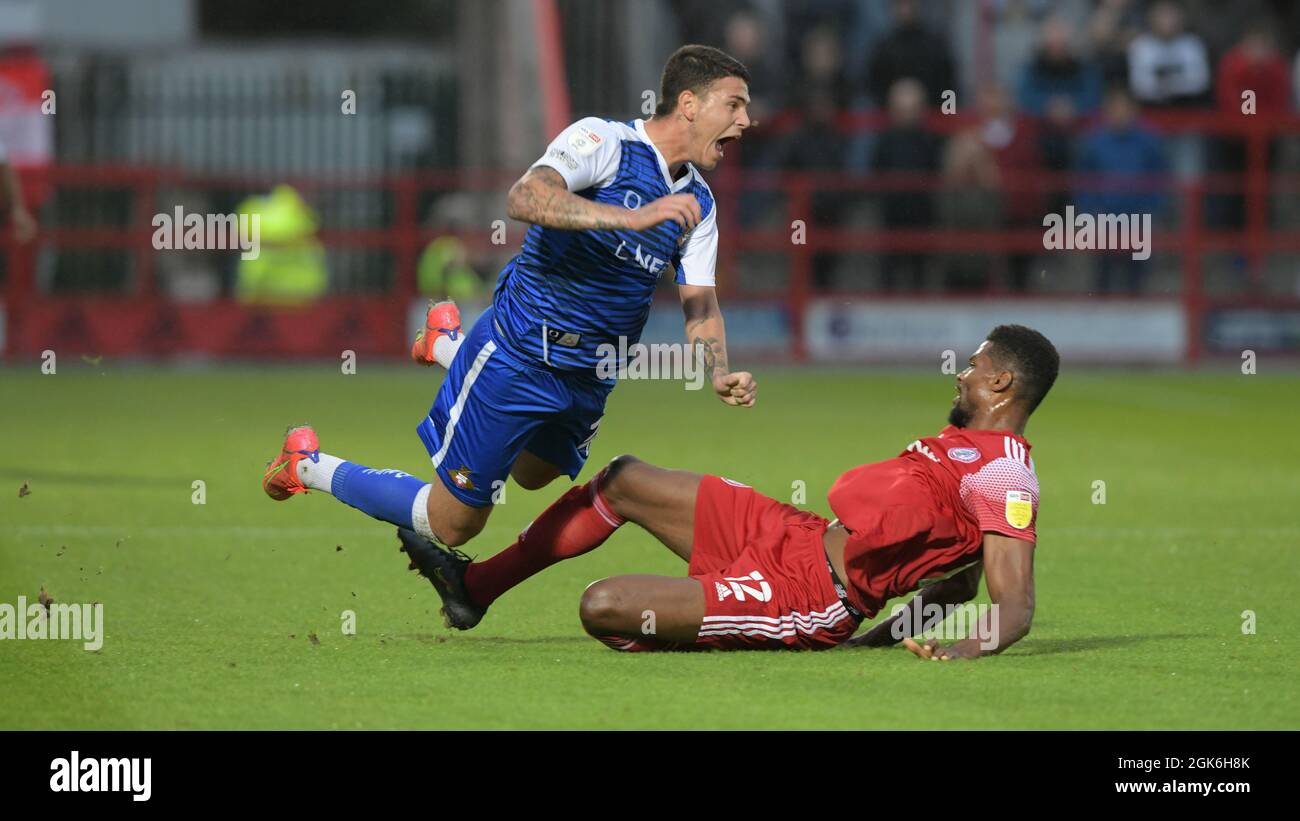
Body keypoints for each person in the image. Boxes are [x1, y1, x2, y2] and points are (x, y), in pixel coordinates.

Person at [262, 46, 757, 555]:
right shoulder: (604, 141)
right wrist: (629, 218)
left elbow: (700, 304)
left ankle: (446, 345)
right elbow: (524, 197)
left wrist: (717, 370)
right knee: (454, 525)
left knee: (536, 474)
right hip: (522, 352)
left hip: (592, 373)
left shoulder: (699, 203)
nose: (746, 120)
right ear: (690, 103)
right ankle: (306, 463)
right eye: (734, 104)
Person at [401, 325, 1059, 661]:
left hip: (810, 597)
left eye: (973, 365)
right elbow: (954, 584)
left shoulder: (1007, 473)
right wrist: (880, 641)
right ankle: (475, 588)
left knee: (602, 605)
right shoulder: (968, 451)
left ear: (1002, 383)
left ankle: (730, 626)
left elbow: (1012, 600)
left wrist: (964, 646)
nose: (962, 372)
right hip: (793, 533)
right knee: (623, 477)